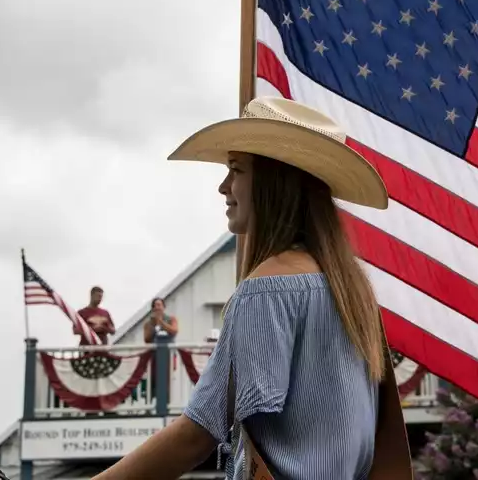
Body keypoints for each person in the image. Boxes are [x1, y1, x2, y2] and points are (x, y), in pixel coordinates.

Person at [92, 97, 412, 480]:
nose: (223, 186)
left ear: (272, 181)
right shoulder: (352, 287)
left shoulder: (267, 290)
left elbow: (196, 435)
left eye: (236, 169)